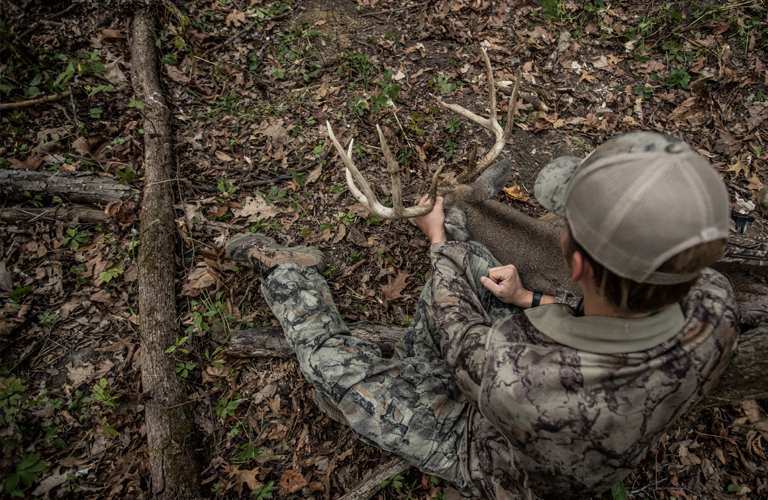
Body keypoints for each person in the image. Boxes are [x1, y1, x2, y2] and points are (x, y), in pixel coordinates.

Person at [225, 132, 739, 499]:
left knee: (332, 367)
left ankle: (289, 273)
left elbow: (459, 337)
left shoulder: (523, 380)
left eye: (565, 226)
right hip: (564, 429)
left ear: (575, 264)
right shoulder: (715, 308)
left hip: (487, 451)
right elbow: (624, 309)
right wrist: (530, 301)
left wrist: (439, 240)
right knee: (475, 266)